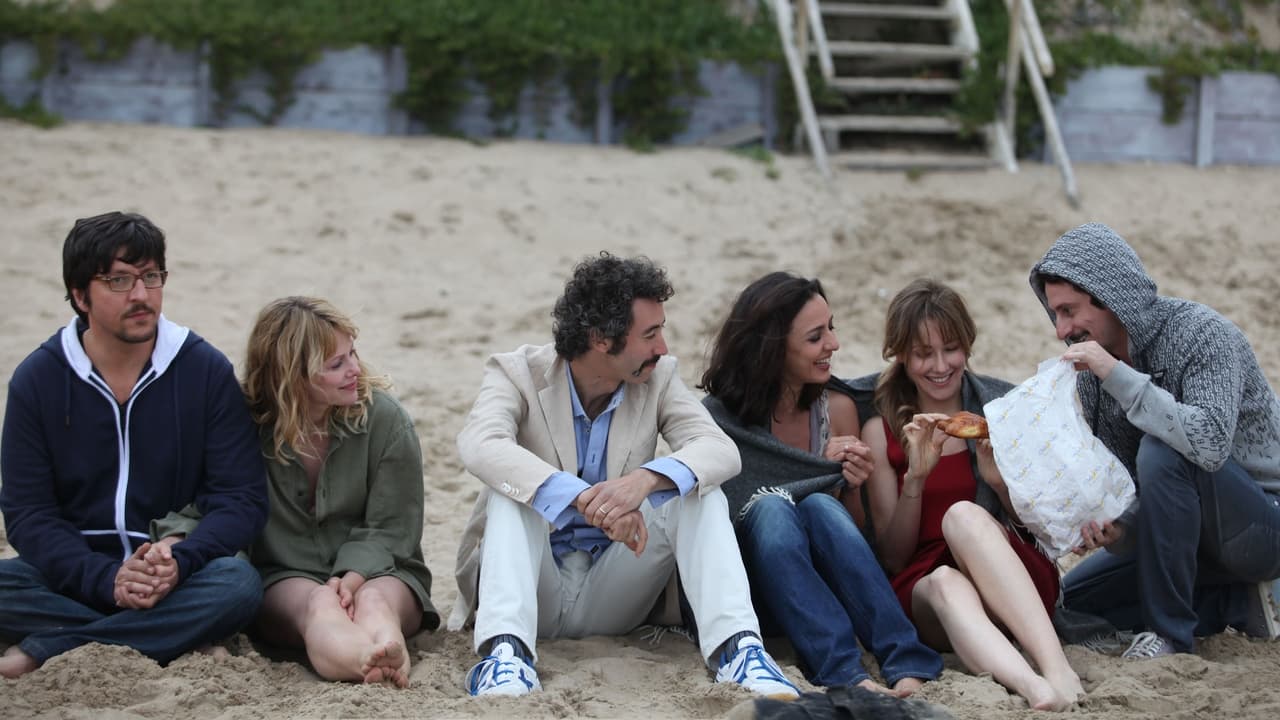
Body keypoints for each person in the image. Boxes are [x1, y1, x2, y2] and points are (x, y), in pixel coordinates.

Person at [450, 252, 798, 699]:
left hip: (615, 586)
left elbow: (719, 450)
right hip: (533, 590)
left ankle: (739, 652)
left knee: (698, 489)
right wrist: (581, 498)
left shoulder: (660, 378)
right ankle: (505, 657)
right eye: (650, 334)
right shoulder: (516, 373)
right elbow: (480, 444)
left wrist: (645, 482)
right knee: (510, 491)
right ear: (600, 339)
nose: (663, 348)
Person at [0, 211, 268, 678]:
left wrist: (180, 562)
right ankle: (173, 637)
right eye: (119, 281)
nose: (141, 295)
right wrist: (107, 580)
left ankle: (50, 646)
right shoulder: (38, 379)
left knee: (239, 584)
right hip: (74, 576)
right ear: (80, 295)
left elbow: (241, 498)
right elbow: (29, 514)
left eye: (151, 276)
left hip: (177, 575)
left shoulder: (203, 370)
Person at [1030, 222, 1280, 658]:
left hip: (1263, 525)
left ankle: (1170, 636)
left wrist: (1117, 375)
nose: (1061, 330)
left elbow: (1208, 444)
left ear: (1109, 296)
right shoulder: (1093, 378)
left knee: (1163, 448)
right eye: (1056, 314)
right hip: (1186, 538)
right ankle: (1237, 602)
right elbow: (1134, 487)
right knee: (1071, 605)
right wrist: (1118, 527)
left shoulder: (1202, 334)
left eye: (1069, 311)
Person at [699, 272, 942, 696]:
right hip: (757, 595)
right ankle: (843, 671)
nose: (834, 343)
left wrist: (849, 485)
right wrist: (805, 476)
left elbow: (855, 535)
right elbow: (721, 520)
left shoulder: (838, 409)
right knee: (772, 507)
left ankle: (905, 659)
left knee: (819, 505)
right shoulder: (719, 420)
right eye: (816, 337)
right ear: (773, 349)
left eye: (831, 328)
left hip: (827, 593)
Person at [859, 278, 1083, 711]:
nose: (940, 365)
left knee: (962, 514)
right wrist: (915, 480)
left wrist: (997, 481)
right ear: (901, 355)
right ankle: (1032, 687)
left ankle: (1056, 669)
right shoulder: (881, 430)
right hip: (927, 585)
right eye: (923, 353)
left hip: (1009, 570)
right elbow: (894, 558)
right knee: (945, 581)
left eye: (951, 349)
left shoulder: (1001, 409)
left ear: (967, 346)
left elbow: (1042, 529)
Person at [238, 297, 441, 687]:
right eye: (336, 365)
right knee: (320, 603)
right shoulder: (244, 426)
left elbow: (393, 526)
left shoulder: (386, 419)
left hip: (385, 571)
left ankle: (387, 650)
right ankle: (365, 660)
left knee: (373, 601)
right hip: (285, 575)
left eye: (353, 354)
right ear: (291, 376)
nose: (355, 370)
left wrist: (353, 576)